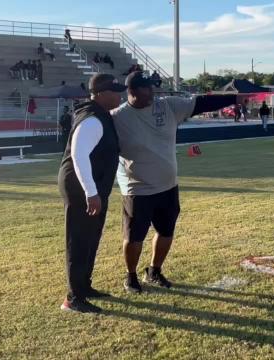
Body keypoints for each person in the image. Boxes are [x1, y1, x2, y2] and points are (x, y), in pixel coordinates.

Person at [112, 71, 239, 293]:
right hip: (137, 189)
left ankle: (154, 270)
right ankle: (130, 276)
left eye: (153, 86)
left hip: (168, 186)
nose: (153, 91)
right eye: (147, 88)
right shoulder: (116, 118)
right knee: (133, 237)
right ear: (132, 91)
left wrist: (233, 98)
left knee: (166, 231)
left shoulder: (167, 105)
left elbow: (200, 103)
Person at [58, 73, 127, 313]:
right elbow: (78, 155)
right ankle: (73, 298)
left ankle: (84, 286)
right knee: (79, 240)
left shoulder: (100, 115)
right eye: (115, 91)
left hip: (92, 187)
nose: (120, 95)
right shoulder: (92, 119)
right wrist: (91, 192)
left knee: (91, 237)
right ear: (101, 94)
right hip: (82, 188)